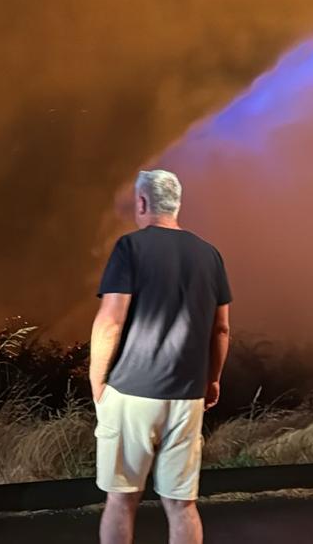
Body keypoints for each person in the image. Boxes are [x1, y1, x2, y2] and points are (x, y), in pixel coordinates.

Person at [90, 169, 232, 544]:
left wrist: (97, 382)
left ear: (142, 202)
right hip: (187, 395)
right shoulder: (209, 254)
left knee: (121, 500)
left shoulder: (130, 248)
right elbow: (221, 329)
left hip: (132, 392)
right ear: (177, 204)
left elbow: (110, 321)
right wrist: (212, 378)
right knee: (182, 504)